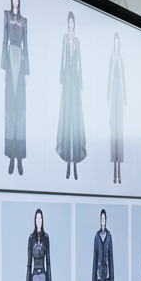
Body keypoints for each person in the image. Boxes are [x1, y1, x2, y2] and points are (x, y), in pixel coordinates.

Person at [56, 11, 87, 180]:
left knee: (75, 121)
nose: (70, 24)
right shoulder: (64, 38)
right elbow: (62, 59)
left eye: (72, 21)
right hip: (67, 80)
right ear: (67, 23)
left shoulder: (77, 41)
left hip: (75, 81)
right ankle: (68, 163)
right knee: (67, 120)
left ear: (74, 23)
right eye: (69, 21)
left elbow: (80, 63)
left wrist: (81, 85)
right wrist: (61, 82)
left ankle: (75, 164)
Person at [2, 0, 28, 176]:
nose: (15, 0)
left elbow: (26, 45)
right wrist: (3, 67)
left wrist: (27, 72)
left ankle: (19, 158)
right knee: (10, 110)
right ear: (11, 0)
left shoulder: (24, 21)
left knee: (21, 112)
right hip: (10, 61)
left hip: (21, 60)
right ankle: (11, 156)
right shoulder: (6, 16)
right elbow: (4, 40)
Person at [107, 33, 126, 185]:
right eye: (115, 42)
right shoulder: (112, 57)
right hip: (113, 90)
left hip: (119, 90)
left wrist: (125, 102)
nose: (116, 45)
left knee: (120, 132)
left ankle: (120, 172)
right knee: (113, 131)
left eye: (118, 43)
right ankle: (114, 172)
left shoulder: (121, 58)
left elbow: (124, 79)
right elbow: (109, 77)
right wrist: (108, 99)